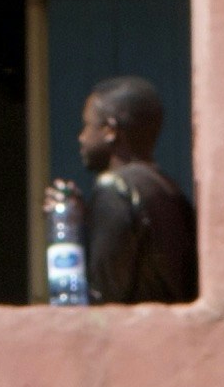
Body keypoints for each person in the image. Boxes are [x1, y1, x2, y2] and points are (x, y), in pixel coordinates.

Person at [46, 75, 197, 306]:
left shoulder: (115, 189)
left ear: (109, 130)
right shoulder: (169, 190)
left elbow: (105, 296)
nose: (81, 137)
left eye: (87, 125)